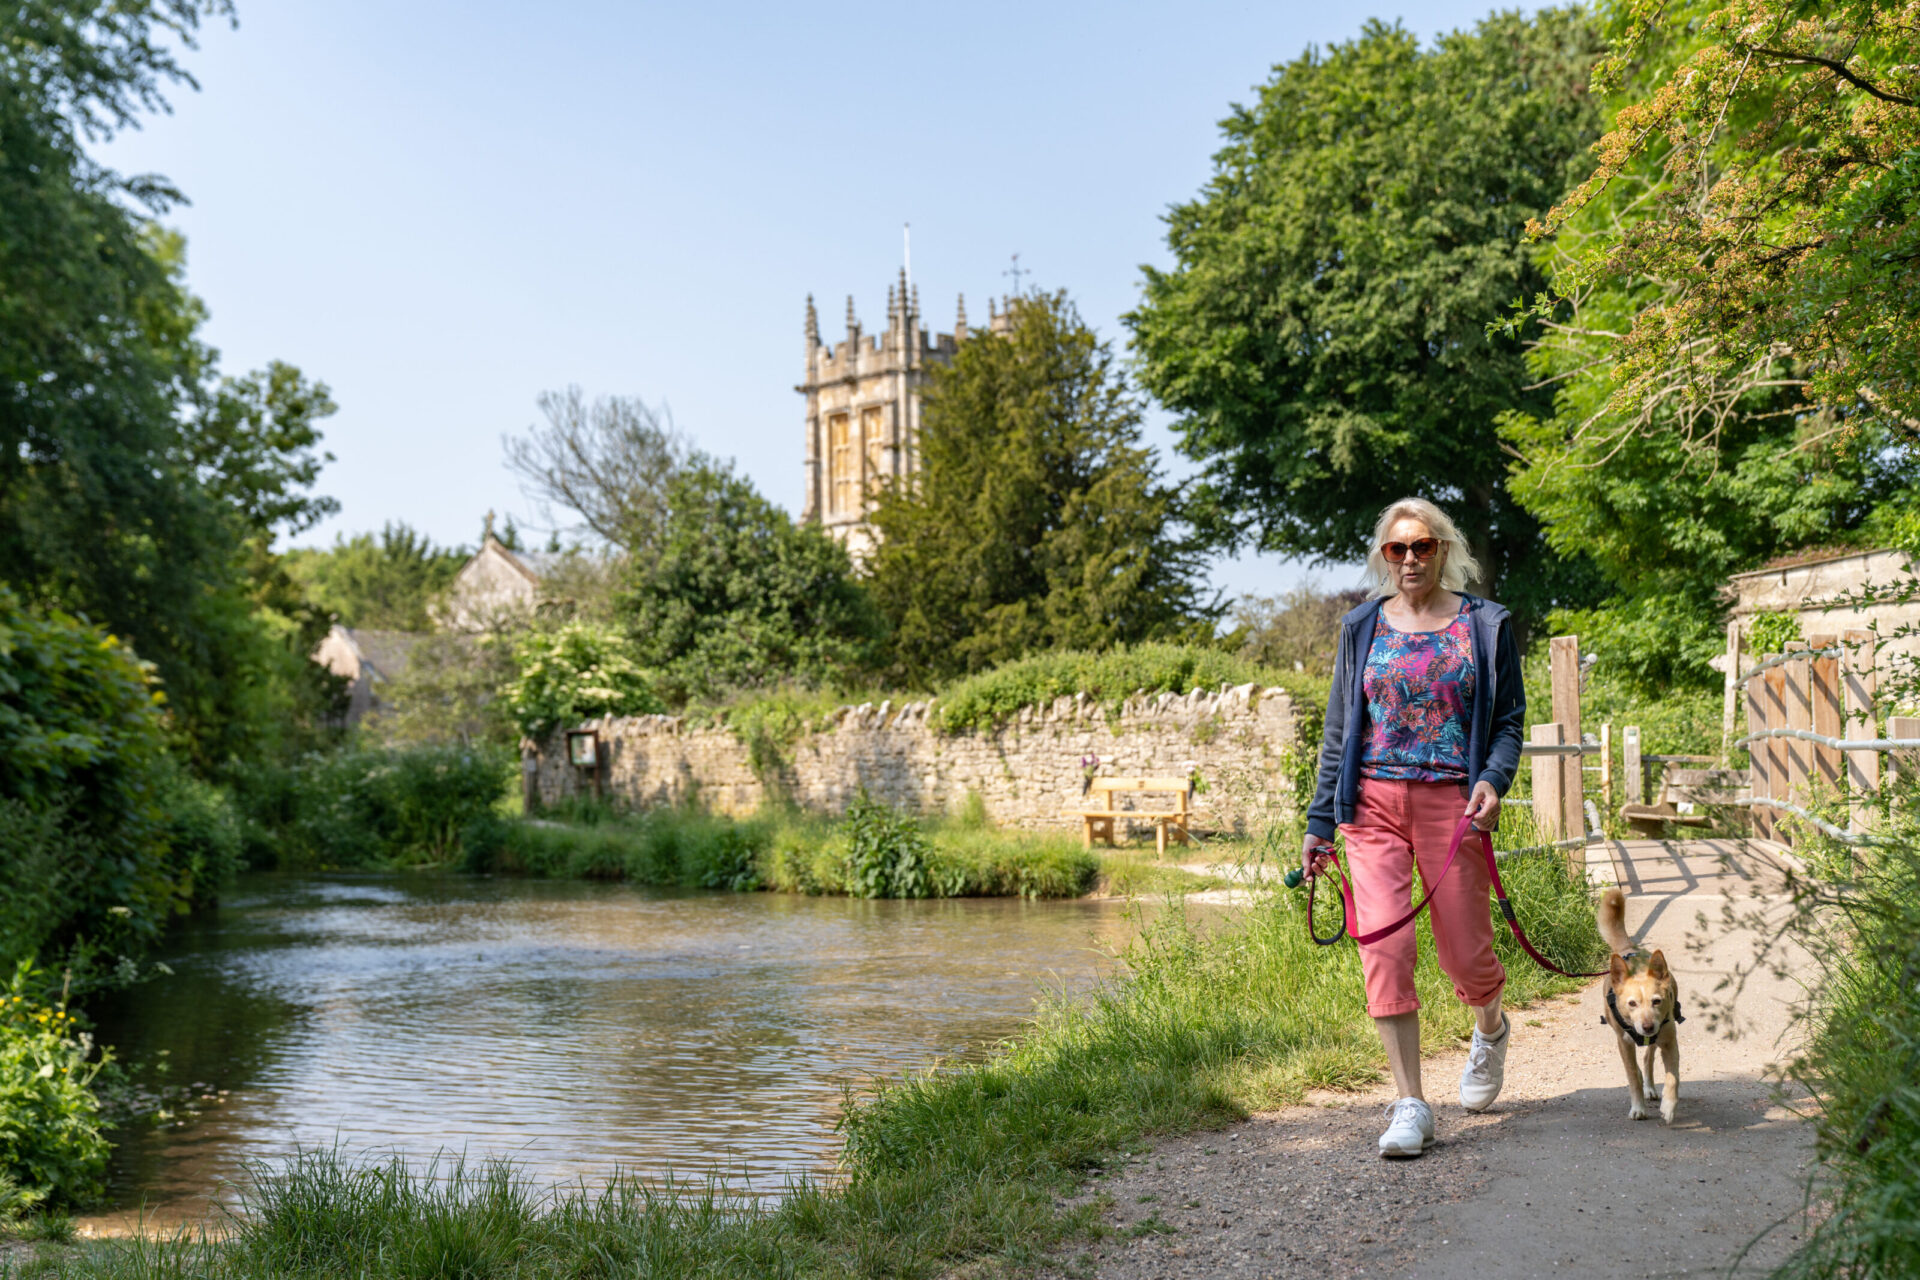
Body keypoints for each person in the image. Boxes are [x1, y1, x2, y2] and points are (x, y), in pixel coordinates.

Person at [1301, 497, 1526, 1158]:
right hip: (1370, 807)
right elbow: (1340, 730)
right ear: (1384, 555)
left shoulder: (1484, 625)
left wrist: (1493, 780)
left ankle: (1490, 1027)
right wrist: (1320, 821)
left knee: (1465, 955)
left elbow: (1508, 720)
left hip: (1453, 805)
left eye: (1422, 546)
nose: (1409, 558)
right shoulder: (1361, 626)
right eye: (1396, 548)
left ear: (1442, 550)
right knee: (1385, 950)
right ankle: (1411, 1104)